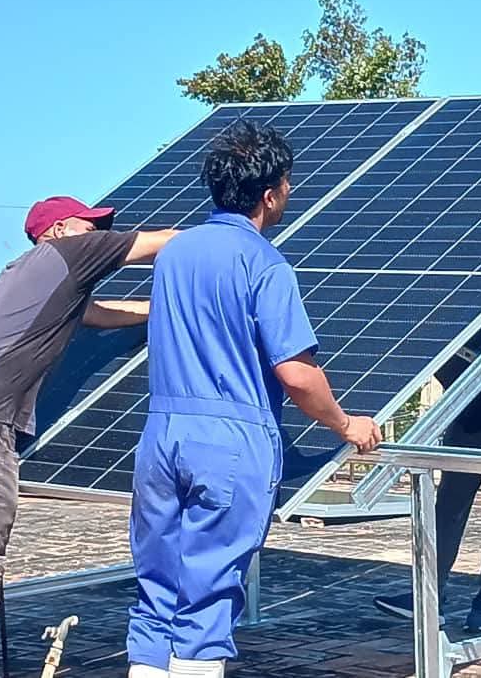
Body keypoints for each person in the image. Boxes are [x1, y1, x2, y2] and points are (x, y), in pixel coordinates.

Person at [127, 120, 382, 678]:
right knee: (207, 602)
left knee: (156, 596)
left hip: (162, 436)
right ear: (270, 195)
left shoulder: (174, 255)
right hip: (229, 445)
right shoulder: (264, 263)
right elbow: (296, 374)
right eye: (288, 184)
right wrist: (345, 425)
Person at [0, 196, 179, 678]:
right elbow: (167, 244)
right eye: (88, 225)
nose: (99, 233)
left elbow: (94, 314)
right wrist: (232, 233)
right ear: (55, 232)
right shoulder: (69, 254)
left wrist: (155, 310)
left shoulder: (25, 274)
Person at [373, 323, 481, 633]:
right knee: (448, 507)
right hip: (467, 411)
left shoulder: (476, 301)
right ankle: (429, 594)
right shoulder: (417, 318)